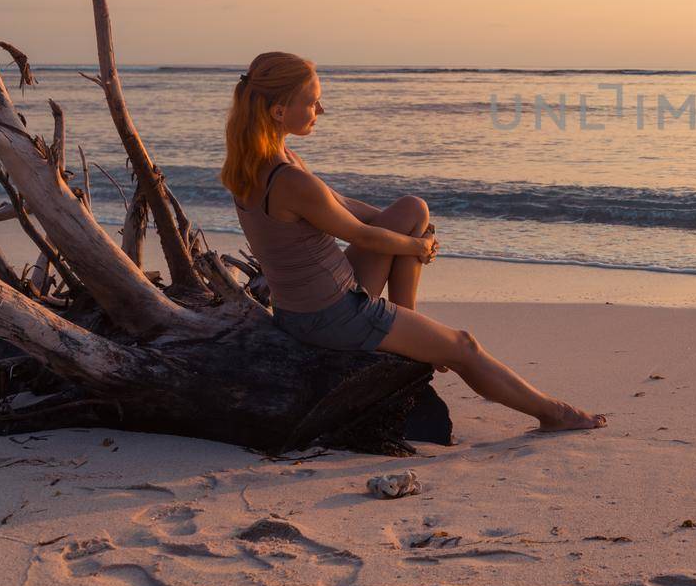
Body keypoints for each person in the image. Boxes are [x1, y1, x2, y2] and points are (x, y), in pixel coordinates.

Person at [219, 51, 604, 432]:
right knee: (464, 347)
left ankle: (410, 331)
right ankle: (554, 413)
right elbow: (359, 234)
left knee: (412, 208)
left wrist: (409, 229)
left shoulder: (263, 160)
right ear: (279, 111)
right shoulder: (290, 181)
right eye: (312, 101)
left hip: (307, 309)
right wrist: (418, 248)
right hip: (334, 317)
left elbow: (344, 205)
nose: (321, 109)